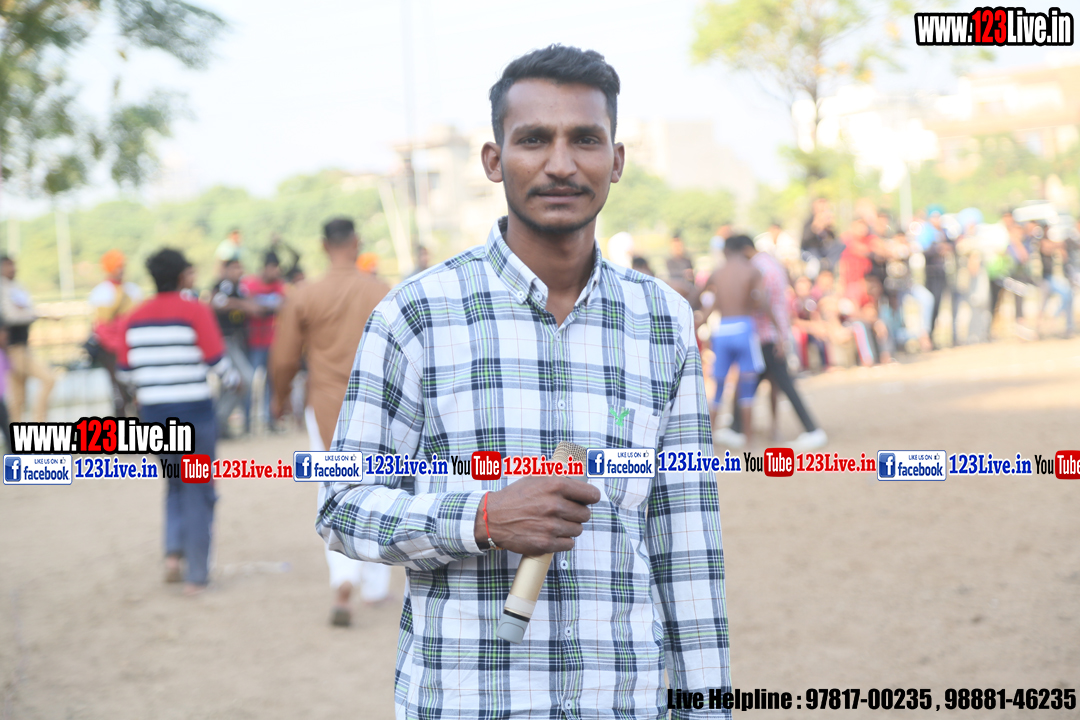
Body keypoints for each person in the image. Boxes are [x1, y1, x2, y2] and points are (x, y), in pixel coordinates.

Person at [317, 45, 730, 718]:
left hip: (623, 701)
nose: (561, 164)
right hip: (470, 702)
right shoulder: (416, 315)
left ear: (616, 160)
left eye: (585, 139)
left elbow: (686, 544)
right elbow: (342, 506)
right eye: (534, 139)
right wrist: (482, 517)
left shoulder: (663, 321)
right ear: (493, 160)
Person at [269, 218, 393, 627]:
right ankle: (375, 586)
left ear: (324, 246)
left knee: (333, 489)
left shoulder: (304, 294)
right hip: (377, 408)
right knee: (379, 486)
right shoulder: (382, 291)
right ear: (357, 243)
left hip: (325, 406)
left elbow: (284, 359)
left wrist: (279, 399)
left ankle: (343, 578)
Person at [118, 249, 236, 595]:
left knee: (174, 483)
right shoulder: (195, 311)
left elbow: (124, 373)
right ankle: (196, 575)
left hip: (154, 415)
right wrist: (235, 382)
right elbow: (218, 363)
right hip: (194, 414)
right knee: (198, 487)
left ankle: (173, 556)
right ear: (183, 276)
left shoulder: (133, 317)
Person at [728, 235, 827, 449]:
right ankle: (735, 428)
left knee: (777, 383)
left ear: (743, 251)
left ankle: (812, 429)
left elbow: (760, 301)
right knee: (758, 381)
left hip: (765, 335)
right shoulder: (770, 262)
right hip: (773, 333)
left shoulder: (757, 268)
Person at [701, 234, 767, 448]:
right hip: (744, 328)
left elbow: (705, 301)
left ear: (726, 250)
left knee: (718, 386)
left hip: (722, 331)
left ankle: (709, 441)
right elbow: (761, 300)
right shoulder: (752, 270)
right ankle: (748, 440)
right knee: (747, 386)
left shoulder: (717, 272)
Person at [87, 249, 142, 416]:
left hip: (132, 346)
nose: (121, 269)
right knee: (119, 394)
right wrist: (116, 346)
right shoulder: (101, 292)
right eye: (117, 266)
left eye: (122, 266)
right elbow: (102, 327)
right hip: (111, 351)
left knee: (137, 392)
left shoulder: (132, 290)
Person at [0, 255, 55, 422]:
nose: (12, 269)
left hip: (22, 345)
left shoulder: (16, 287)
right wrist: (31, 314)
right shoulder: (3, 289)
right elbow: (12, 316)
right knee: (48, 379)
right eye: (8, 265)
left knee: (19, 397)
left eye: (13, 265)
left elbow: (26, 310)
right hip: (12, 349)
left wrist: (28, 312)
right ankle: (39, 423)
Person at [210, 259, 258, 436]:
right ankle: (219, 419)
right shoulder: (220, 286)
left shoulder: (241, 288)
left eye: (240, 268)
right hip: (225, 341)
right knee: (244, 379)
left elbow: (254, 307)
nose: (238, 271)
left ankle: (219, 425)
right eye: (235, 268)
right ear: (226, 270)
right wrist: (241, 305)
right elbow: (216, 304)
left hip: (240, 340)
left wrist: (240, 304)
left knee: (228, 384)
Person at [242, 251, 286, 431]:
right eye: (273, 268)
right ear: (265, 267)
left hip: (272, 341)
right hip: (253, 342)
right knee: (249, 381)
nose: (275, 272)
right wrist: (267, 305)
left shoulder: (279, 285)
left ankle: (270, 421)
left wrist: (260, 305)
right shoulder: (250, 283)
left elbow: (282, 305)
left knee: (272, 383)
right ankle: (246, 422)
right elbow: (251, 308)